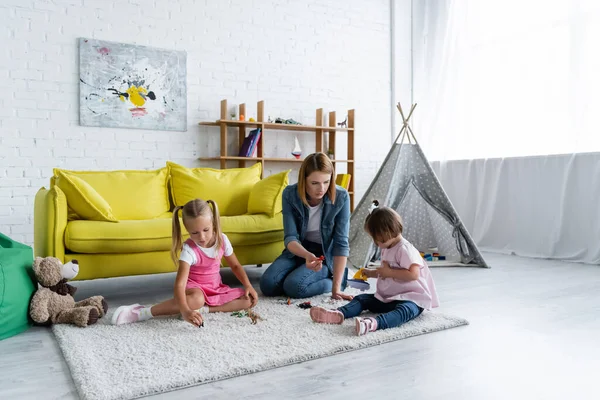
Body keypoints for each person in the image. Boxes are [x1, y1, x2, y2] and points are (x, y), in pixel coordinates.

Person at [111, 198, 258, 326]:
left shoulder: (222, 240)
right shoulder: (189, 249)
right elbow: (180, 284)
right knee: (197, 299)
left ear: (213, 222)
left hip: (215, 287)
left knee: (249, 299)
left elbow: (236, 265)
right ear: (187, 229)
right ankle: (142, 312)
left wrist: (248, 285)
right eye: (194, 232)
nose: (202, 237)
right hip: (194, 288)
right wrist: (185, 310)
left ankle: (204, 310)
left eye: (206, 230)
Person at [309, 200, 439, 336]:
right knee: (362, 299)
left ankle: (373, 324)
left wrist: (389, 272)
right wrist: (372, 273)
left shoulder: (405, 249)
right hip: (389, 297)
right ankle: (338, 313)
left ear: (384, 236)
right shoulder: (388, 247)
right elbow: (386, 271)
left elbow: (413, 275)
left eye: (375, 239)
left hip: (412, 298)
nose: (375, 243)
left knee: (404, 311)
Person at [259, 152, 353, 300]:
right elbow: (290, 238)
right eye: (314, 183)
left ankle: (335, 280)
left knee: (294, 286)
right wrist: (307, 255)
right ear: (304, 180)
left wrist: (336, 289)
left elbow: (341, 243)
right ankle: (300, 272)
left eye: (326, 182)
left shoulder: (342, 197)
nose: (321, 188)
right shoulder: (290, 194)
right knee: (267, 285)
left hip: (324, 255)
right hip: (299, 250)